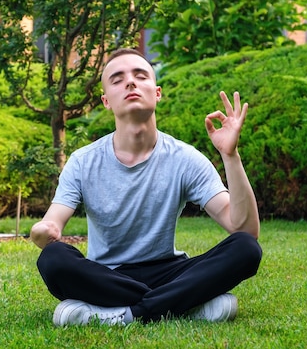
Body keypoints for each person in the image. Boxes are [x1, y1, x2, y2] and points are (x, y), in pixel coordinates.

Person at [30, 48, 262, 326]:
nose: (130, 82)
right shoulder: (83, 161)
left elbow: (245, 230)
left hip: (169, 271)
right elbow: (51, 224)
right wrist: (43, 232)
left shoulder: (185, 158)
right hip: (107, 275)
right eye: (117, 79)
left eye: (140, 76)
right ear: (106, 101)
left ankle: (122, 314)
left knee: (246, 249)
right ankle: (184, 305)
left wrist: (230, 156)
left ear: (157, 92)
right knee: (53, 259)